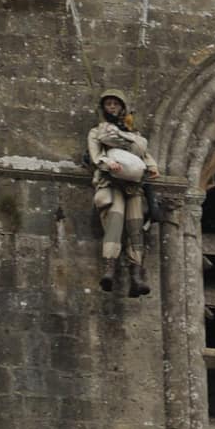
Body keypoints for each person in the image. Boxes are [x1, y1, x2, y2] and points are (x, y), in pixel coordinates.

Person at [87, 89, 157, 296]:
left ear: (122, 107)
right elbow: (95, 156)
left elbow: (142, 153)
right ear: (103, 108)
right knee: (114, 224)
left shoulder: (133, 134)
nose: (112, 107)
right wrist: (108, 163)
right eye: (108, 104)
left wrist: (152, 166)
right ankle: (109, 269)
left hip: (134, 186)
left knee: (136, 228)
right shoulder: (97, 132)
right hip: (112, 183)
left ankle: (136, 276)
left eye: (115, 104)